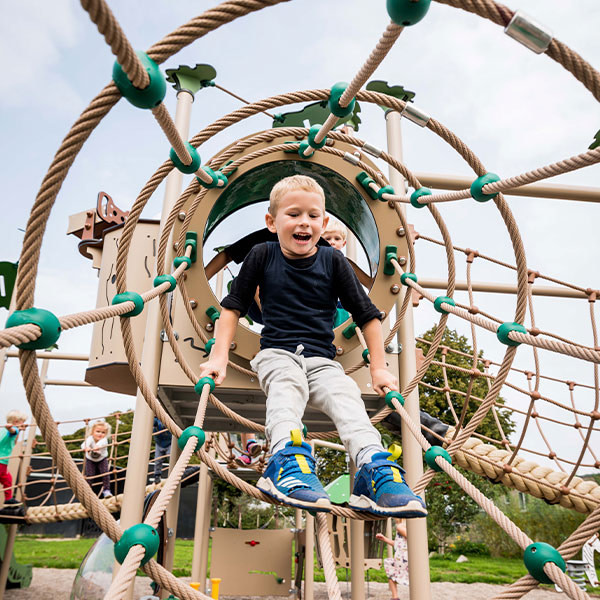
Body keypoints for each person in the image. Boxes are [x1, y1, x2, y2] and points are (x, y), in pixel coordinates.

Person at [198, 174, 427, 517]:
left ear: (324, 222)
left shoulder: (333, 261)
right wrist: (218, 357)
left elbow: (367, 315)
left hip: (322, 359)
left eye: (313, 215)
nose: (304, 222)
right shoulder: (261, 254)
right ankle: (286, 460)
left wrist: (379, 368)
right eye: (293, 214)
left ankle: (372, 469)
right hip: (276, 352)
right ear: (272, 222)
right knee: (286, 389)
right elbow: (232, 307)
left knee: (346, 398)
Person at [0, 410, 27, 506]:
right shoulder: (13, 429)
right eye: (22, 422)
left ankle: (8, 499)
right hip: (2, 461)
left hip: (3, 461)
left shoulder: (2, 430)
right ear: (16, 422)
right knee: (7, 479)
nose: (24, 424)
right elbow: (12, 432)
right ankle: (8, 499)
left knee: (7, 479)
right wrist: (11, 428)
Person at [376, 519, 410, 597]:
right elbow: (397, 544)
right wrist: (384, 538)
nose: (394, 519)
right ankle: (395, 597)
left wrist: (400, 527)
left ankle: (395, 597)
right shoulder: (401, 527)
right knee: (390, 568)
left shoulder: (401, 527)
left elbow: (412, 537)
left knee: (391, 570)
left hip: (404, 558)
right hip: (400, 557)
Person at [81, 419, 112, 498]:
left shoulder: (104, 440)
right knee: (89, 475)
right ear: (92, 432)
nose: (100, 434)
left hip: (102, 459)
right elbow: (84, 444)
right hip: (90, 459)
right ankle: (87, 491)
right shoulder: (90, 438)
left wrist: (96, 447)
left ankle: (106, 490)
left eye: (103, 432)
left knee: (105, 474)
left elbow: (101, 444)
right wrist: (86, 447)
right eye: (98, 431)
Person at [153, 417, 172, 484]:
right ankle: (157, 476)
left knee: (171, 456)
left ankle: (173, 474)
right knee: (157, 460)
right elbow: (154, 423)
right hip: (159, 443)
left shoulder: (167, 418)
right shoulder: (155, 419)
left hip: (169, 442)